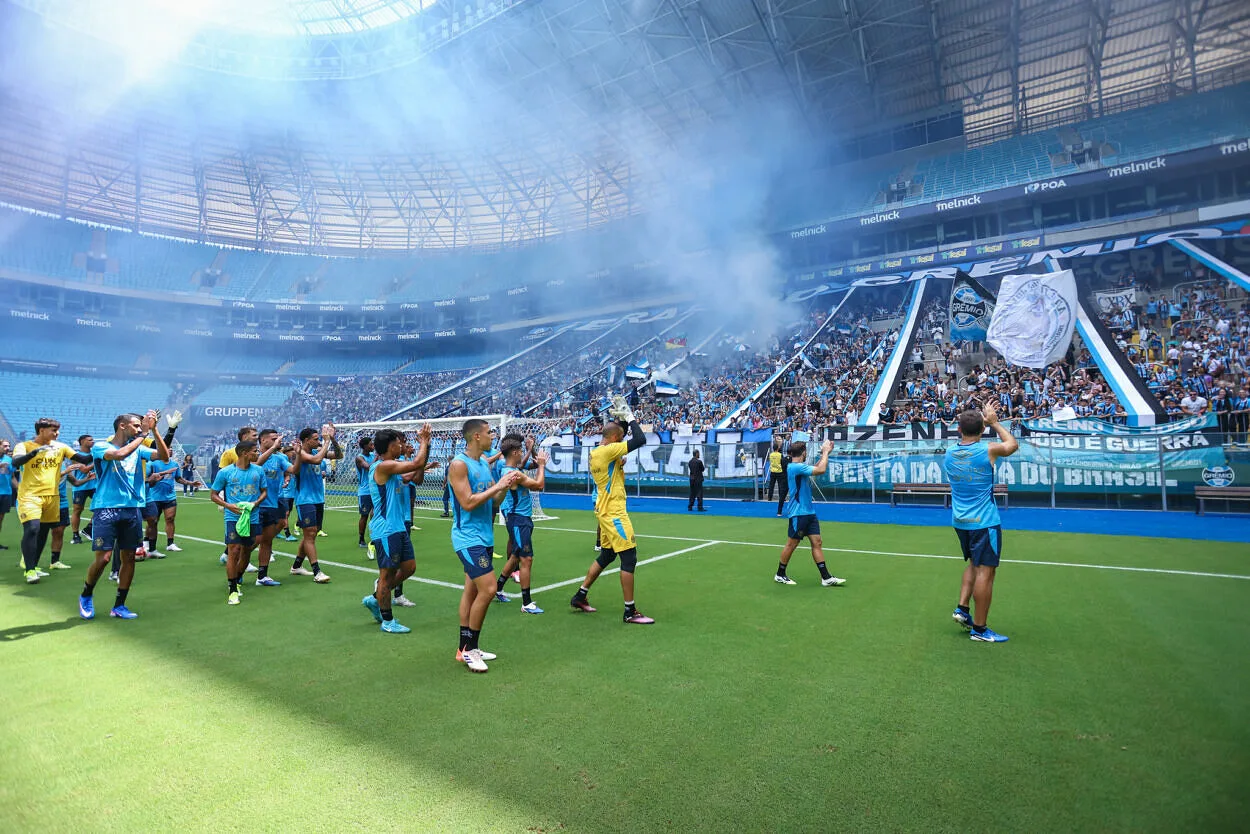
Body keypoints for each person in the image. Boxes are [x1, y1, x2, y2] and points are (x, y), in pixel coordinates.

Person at [569, 396, 655, 624]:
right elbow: (641, 438)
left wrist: (621, 420)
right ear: (615, 439)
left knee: (607, 555)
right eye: (621, 436)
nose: (624, 437)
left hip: (604, 510)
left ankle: (580, 595)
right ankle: (630, 611)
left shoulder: (600, 452)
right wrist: (630, 417)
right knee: (629, 557)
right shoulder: (608, 452)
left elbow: (620, 437)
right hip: (614, 512)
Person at [78, 411, 170, 620]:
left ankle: (119, 605)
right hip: (106, 508)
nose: (139, 429)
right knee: (104, 559)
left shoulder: (140, 448)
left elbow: (164, 457)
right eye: (136, 426)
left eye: (141, 426)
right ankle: (86, 594)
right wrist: (143, 434)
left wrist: (154, 430)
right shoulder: (102, 446)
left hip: (132, 509)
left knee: (129, 558)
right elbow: (119, 455)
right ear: (122, 426)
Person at [447, 419, 521, 672]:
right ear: (477, 436)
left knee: (471, 591)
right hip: (467, 538)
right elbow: (467, 502)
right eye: (490, 432)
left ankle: (463, 649)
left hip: (484, 537)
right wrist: (497, 486)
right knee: (489, 589)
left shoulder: (482, 464)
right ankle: (470, 650)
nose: (493, 436)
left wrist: (504, 486)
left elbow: (495, 502)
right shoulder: (459, 464)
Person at [943, 401, 1019, 643]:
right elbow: (1012, 445)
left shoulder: (949, 452)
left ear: (958, 429)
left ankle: (962, 608)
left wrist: (982, 425)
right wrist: (995, 422)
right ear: (982, 430)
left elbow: (971, 438)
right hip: (984, 522)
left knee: (974, 564)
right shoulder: (987, 450)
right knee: (986, 571)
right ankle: (980, 628)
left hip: (960, 520)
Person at [361, 425, 432, 633]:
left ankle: (375, 599)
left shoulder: (393, 467)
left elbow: (416, 477)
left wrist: (424, 451)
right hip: (386, 529)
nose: (401, 445)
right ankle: (388, 621)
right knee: (386, 574)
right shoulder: (382, 467)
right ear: (390, 447)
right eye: (398, 443)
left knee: (409, 567)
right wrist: (424, 442)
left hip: (398, 527)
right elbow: (417, 463)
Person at [12, 417, 92, 583]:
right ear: (41, 430)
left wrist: (101, 453)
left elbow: (83, 459)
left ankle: (33, 566)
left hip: (52, 497)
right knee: (32, 529)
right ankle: (29, 571)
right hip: (30, 496)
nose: (57, 433)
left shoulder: (60, 447)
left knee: (42, 532)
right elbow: (16, 462)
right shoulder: (24, 446)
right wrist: (34, 453)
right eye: (53, 430)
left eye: (57, 430)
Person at [773, 439, 845, 587]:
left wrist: (825, 454)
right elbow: (821, 470)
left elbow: (817, 467)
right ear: (804, 452)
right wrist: (825, 452)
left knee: (817, 542)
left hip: (809, 513)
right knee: (791, 544)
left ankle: (826, 577)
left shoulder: (800, 467)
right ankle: (780, 574)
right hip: (798, 513)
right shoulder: (794, 467)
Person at [491, 436, 548, 614]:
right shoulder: (512, 473)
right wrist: (541, 465)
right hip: (518, 519)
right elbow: (539, 485)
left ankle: (498, 588)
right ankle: (526, 602)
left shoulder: (512, 470)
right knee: (526, 558)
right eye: (521, 451)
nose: (522, 453)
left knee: (516, 555)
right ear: (515, 452)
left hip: (520, 518)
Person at [210, 440, 267, 605]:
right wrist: (228, 505)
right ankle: (232, 588)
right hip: (232, 517)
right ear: (244, 453)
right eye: (255, 451)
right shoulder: (226, 473)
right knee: (233, 550)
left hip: (252, 517)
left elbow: (264, 492)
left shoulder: (258, 471)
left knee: (247, 550)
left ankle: (238, 577)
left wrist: (255, 504)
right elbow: (213, 495)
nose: (257, 454)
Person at [288, 423, 340, 583]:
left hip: (318, 499)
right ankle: (317, 571)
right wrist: (326, 443)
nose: (318, 441)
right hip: (305, 500)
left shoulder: (318, 450)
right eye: (315, 439)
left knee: (310, 534)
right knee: (310, 534)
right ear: (306, 440)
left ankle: (296, 566)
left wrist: (333, 440)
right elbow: (316, 460)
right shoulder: (300, 454)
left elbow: (338, 456)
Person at [252, 429, 289, 588]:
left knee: (267, 541)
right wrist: (273, 448)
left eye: (277, 438)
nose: (277, 441)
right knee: (255, 540)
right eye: (273, 439)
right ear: (263, 440)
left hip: (272, 503)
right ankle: (237, 567)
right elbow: (256, 465)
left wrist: (300, 455)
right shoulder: (252, 455)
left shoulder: (279, 458)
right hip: (255, 504)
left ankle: (262, 575)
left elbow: (293, 470)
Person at [142, 456, 192, 556]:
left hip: (170, 497)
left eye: (171, 449)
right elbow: (147, 478)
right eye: (168, 448)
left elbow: (178, 478)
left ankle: (170, 543)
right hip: (155, 497)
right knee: (153, 522)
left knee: (170, 519)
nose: (169, 450)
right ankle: (146, 542)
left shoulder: (174, 464)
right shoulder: (153, 464)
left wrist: (190, 483)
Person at [70, 435, 95, 545]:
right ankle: (75, 535)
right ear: (82, 442)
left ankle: (89, 528)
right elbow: (84, 470)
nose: (92, 441)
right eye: (90, 440)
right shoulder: (76, 456)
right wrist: (96, 461)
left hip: (95, 485)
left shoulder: (95, 453)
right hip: (81, 485)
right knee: (77, 510)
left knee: (102, 507)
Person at [355, 436, 376, 552]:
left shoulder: (373, 456)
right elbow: (368, 467)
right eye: (371, 444)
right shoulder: (359, 458)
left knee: (376, 513)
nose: (373, 446)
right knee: (364, 515)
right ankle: (361, 538)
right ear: (365, 446)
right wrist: (377, 458)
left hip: (375, 490)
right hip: (365, 491)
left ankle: (374, 536)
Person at [765, 439, 787, 516]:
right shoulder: (780, 455)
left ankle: (769, 498)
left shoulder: (770, 454)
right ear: (777, 448)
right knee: (781, 486)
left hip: (772, 471)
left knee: (771, 485)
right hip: (779, 471)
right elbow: (782, 462)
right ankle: (782, 497)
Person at [0, 440, 15, 550]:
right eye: (5, 446)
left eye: (8, 446)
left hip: (6, 492)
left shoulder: (9, 460)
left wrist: (19, 488)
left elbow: (12, 476)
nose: (7, 448)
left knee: (0, 519)